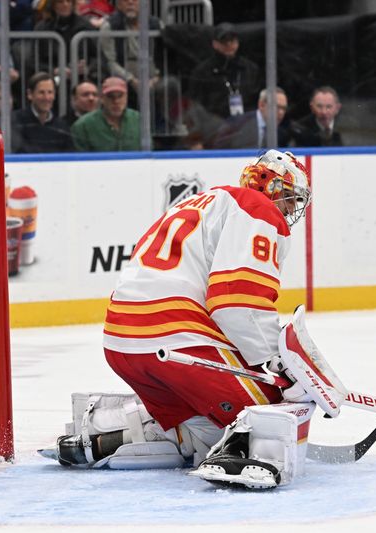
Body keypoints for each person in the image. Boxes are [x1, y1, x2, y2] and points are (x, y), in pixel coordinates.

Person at [43, 150, 332, 490]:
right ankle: (242, 455)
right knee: (274, 406)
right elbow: (238, 302)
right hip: (174, 338)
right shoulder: (258, 210)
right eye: (289, 197)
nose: (289, 209)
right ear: (271, 186)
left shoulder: (198, 203)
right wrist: (276, 363)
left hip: (122, 343)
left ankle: (111, 436)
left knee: (205, 434)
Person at [190, 22, 262, 119]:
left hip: (245, 123)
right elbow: (196, 103)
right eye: (224, 41)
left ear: (237, 42)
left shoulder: (251, 69)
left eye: (231, 40)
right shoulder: (202, 72)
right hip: (216, 126)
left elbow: (256, 99)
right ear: (215, 44)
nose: (228, 44)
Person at [99, 0, 162, 97]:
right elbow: (110, 62)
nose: (130, 2)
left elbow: (167, 57)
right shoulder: (110, 26)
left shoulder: (157, 24)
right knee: (117, 88)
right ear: (119, 4)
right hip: (123, 78)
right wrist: (131, 80)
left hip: (154, 78)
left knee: (171, 85)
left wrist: (156, 78)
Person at [71, 76, 141, 152]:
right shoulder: (83, 125)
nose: (116, 101)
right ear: (102, 98)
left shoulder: (139, 120)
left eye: (120, 96)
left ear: (126, 97)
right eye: (110, 96)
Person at [11, 72, 73, 153]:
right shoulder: (15, 120)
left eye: (50, 92)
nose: (47, 98)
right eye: (41, 92)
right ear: (30, 94)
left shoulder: (62, 126)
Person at [210, 87, 290, 149]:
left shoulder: (283, 132)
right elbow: (217, 147)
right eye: (277, 107)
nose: (281, 112)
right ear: (261, 105)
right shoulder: (240, 123)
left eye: (284, 108)